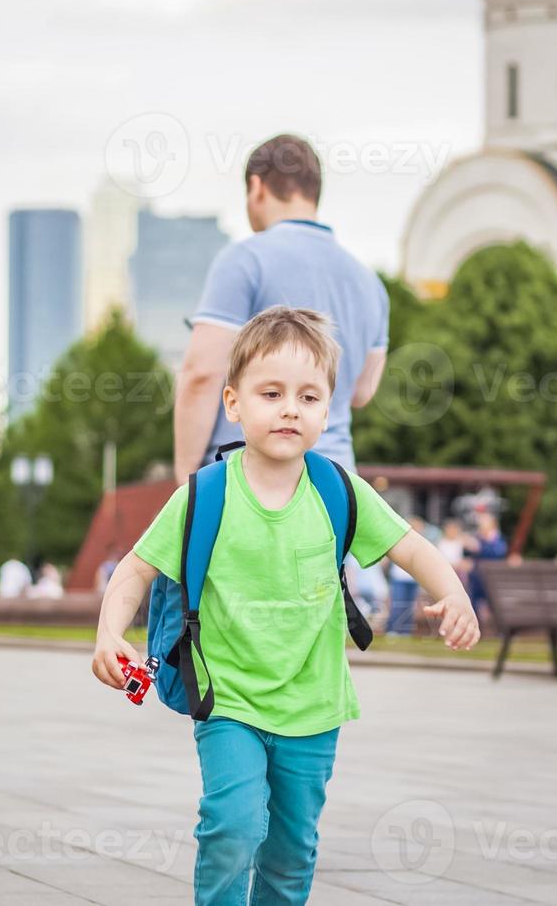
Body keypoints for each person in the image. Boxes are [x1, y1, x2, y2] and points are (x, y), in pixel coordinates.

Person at [92, 306, 479, 905]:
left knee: (292, 852)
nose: (290, 408)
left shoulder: (337, 490)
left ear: (327, 411)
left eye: (308, 396)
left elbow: (410, 546)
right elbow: (135, 572)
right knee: (234, 827)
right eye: (271, 393)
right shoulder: (205, 494)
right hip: (228, 701)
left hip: (313, 707)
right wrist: (108, 633)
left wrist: (452, 592)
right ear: (234, 402)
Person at [173, 134, 389, 479]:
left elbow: (201, 375)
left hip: (249, 482)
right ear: (313, 193)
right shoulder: (370, 282)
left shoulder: (244, 260)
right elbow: (362, 392)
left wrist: (186, 482)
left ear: (256, 188)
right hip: (335, 482)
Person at [384, 516, 429, 637]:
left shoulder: (422, 543)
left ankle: (405, 631)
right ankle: (393, 629)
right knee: (398, 604)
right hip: (399, 578)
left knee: (409, 606)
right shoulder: (400, 540)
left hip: (413, 579)